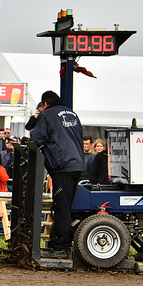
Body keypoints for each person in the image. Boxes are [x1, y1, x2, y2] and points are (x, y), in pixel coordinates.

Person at [29, 91, 84, 259]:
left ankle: (61, 246)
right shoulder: (72, 114)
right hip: (76, 165)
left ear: (45, 103)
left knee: (61, 207)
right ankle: (63, 241)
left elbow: (36, 138)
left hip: (62, 166)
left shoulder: (47, 115)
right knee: (66, 205)